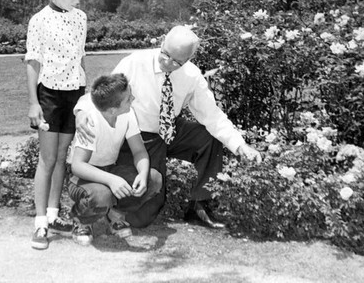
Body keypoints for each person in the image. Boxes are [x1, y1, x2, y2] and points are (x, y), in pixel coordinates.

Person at [75, 25, 262, 229]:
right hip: (139, 135)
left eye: (177, 62)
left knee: (208, 139)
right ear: (162, 43)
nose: (168, 63)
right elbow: (105, 93)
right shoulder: (135, 62)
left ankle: (199, 206)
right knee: (142, 217)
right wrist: (82, 111)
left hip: (170, 130)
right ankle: (108, 209)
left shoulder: (191, 75)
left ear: (188, 59)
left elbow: (212, 115)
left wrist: (240, 145)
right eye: (166, 55)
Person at [25, 0, 90, 250]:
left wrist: (85, 95)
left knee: (63, 157)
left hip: (74, 93)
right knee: (47, 159)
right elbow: (32, 62)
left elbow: (81, 57)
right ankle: (40, 224)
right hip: (49, 95)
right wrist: (33, 103)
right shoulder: (39, 20)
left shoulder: (81, 18)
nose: (77, 0)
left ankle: (54, 215)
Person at [68, 73, 162, 246]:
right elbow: (78, 166)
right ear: (112, 110)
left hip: (110, 169)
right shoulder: (91, 120)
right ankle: (81, 220)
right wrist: (112, 180)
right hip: (83, 177)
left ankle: (114, 214)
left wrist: (142, 173)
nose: (133, 98)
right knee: (101, 195)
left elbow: (139, 151)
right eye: (128, 99)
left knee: (154, 179)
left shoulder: (127, 114)